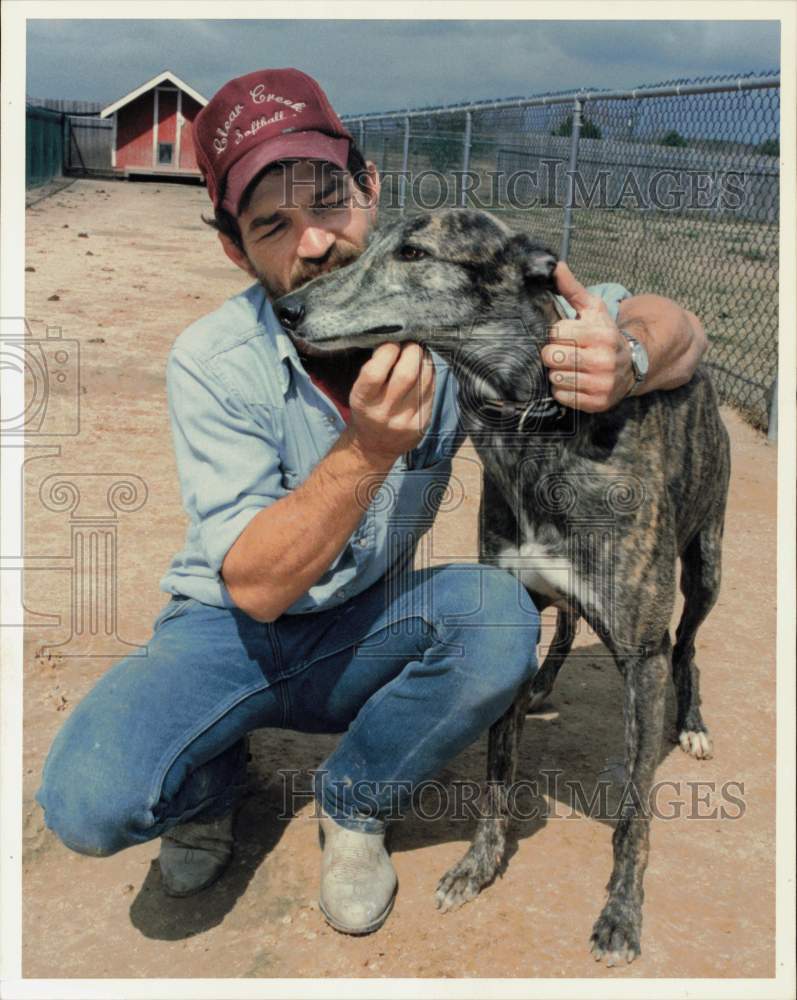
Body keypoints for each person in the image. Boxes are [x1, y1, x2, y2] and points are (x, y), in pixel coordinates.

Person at [36, 68, 707, 936]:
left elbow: (662, 319)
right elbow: (259, 588)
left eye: (329, 201)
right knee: (90, 803)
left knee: (499, 617)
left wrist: (632, 359)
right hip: (231, 629)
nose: (314, 242)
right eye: (273, 225)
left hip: (368, 627)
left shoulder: (443, 314)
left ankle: (353, 805)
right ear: (236, 250)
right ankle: (208, 783)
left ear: (370, 189)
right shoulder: (212, 358)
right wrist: (369, 448)